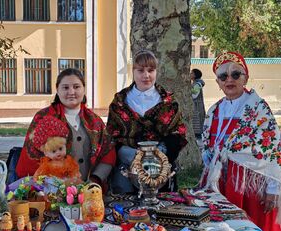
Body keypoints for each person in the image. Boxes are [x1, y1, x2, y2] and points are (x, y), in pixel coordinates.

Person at [199, 51, 281, 231]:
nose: (229, 80)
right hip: (220, 182)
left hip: (251, 183)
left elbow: (272, 149)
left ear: (245, 77)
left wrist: (273, 188)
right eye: (223, 76)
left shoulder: (258, 108)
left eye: (235, 74)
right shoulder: (215, 109)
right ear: (218, 82)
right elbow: (208, 145)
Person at [16, 68, 115, 192]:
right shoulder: (44, 117)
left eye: (76, 87)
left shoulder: (95, 121)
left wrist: (95, 180)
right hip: (52, 192)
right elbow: (30, 157)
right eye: (65, 87)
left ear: (84, 89)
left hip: (88, 192)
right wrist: (50, 185)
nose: (71, 92)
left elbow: (108, 153)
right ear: (57, 90)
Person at [106, 49, 188, 194]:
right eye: (141, 70)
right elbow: (111, 134)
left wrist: (161, 159)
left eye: (151, 70)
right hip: (126, 166)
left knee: (159, 211)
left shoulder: (168, 101)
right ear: (133, 71)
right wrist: (128, 155)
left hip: (160, 166)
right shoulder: (120, 100)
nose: (146, 75)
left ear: (156, 71)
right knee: (126, 210)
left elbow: (178, 133)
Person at [31, 115, 82, 184]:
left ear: (65, 146)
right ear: (46, 153)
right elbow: (36, 177)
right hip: (51, 189)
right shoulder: (46, 165)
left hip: (67, 187)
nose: (58, 153)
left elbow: (75, 173)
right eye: (53, 151)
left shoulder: (69, 162)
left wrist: (75, 179)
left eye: (60, 149)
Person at [191, 68, 206, 138]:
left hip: (197, 107)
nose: (190, 75)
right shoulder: (195, 83)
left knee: (197, 122)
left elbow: (194, 95)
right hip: (195, 106)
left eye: (191, 73)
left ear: (195, 75)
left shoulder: (197, 84)